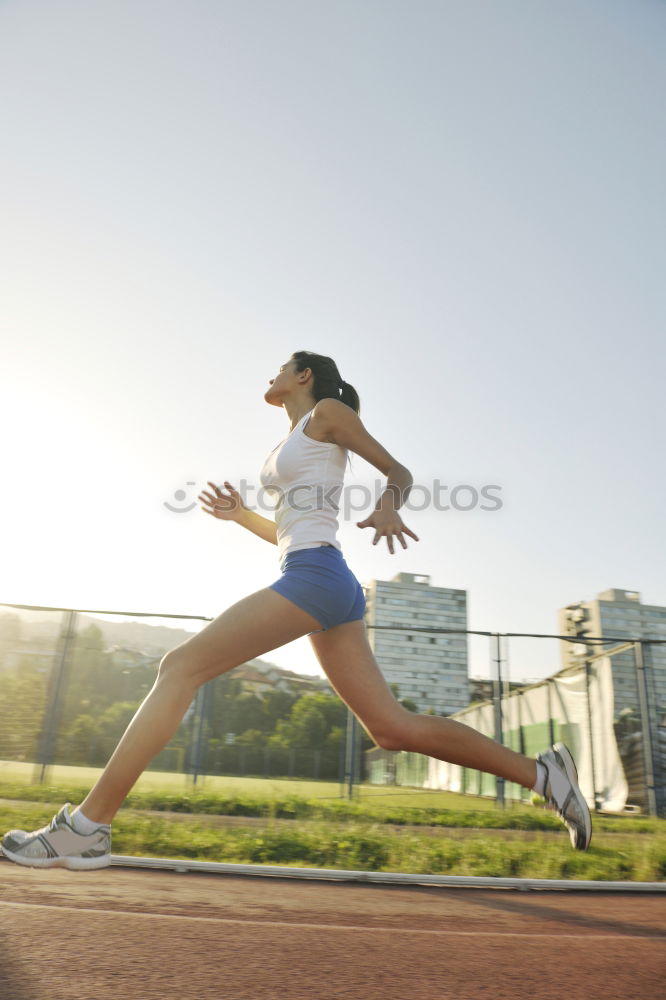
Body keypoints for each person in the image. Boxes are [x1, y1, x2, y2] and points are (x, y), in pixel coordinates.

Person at [1, 350, 591, 869]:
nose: (273, 372)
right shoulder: (289, 443)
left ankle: (88, 828)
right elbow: (289, 532)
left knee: (178, 666)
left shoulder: (327, 413)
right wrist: (240, 516)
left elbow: (399, 471)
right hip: (317, 575)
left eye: (283, 365)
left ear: (303, 376)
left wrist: (389, 506)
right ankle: (544, 775)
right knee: (390, 729)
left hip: (319, 576)